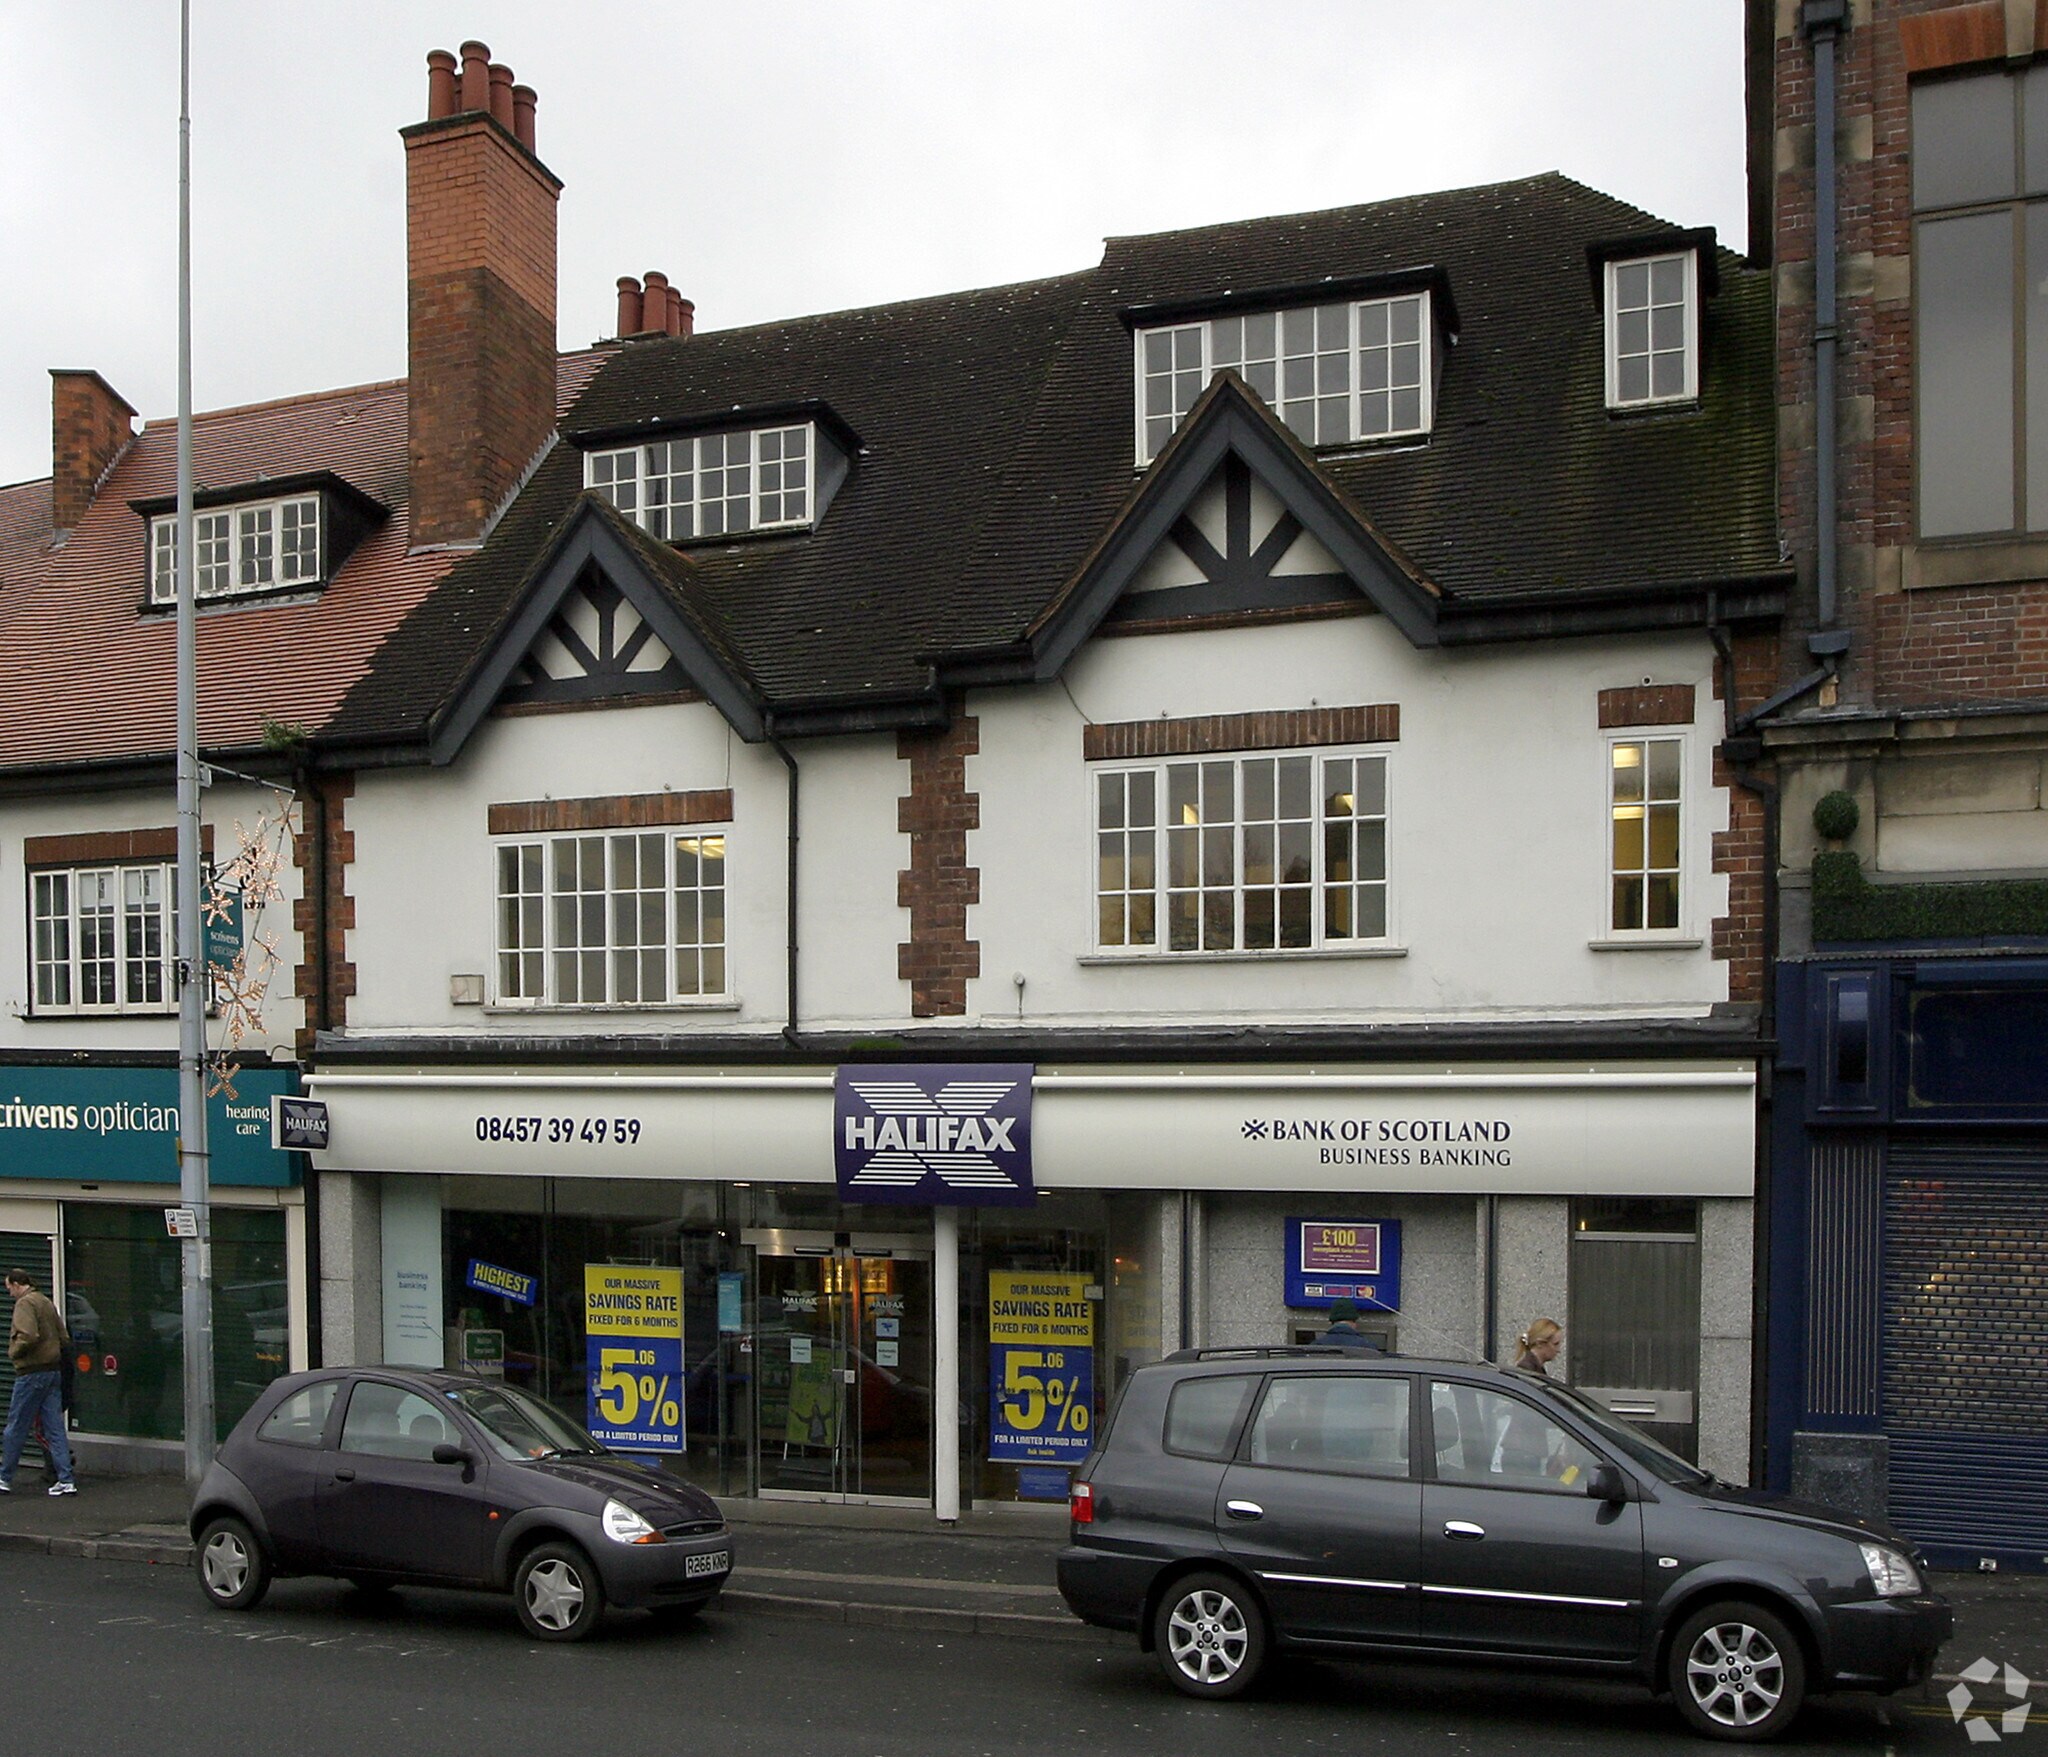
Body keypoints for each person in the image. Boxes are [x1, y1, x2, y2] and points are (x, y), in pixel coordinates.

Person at [2, 1268, 75, 1495]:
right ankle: (66, 1479)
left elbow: (28, 1335)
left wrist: (14, 1352)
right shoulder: (45, 1302)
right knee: (54, 1428)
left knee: (16, 1427)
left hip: (31, 1373)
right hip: (53, 1371)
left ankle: (4, 1477)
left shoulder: (25, 1304)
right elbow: (63, 1337)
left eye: (9, 1289)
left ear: (16, 1284)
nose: (10, 1294)